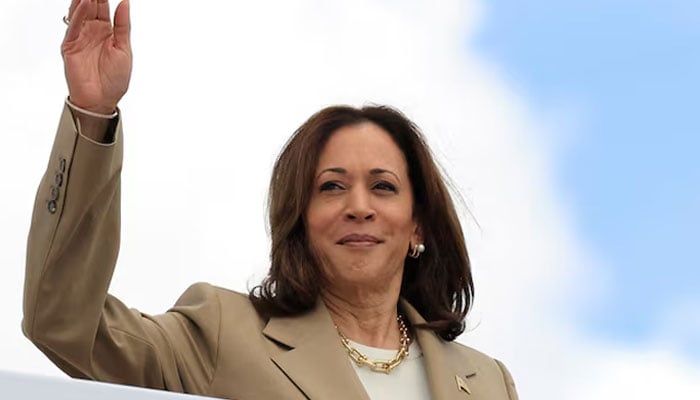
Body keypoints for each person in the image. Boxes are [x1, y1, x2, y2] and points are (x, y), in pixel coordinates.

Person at [23, 0, 519, 399]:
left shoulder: (488, 382)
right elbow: (63, 327)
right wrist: (92, 115)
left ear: (419, 225)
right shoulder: (224, 336)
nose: (359, 206)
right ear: (300, 220)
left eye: (384, 186)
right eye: (331, 186)